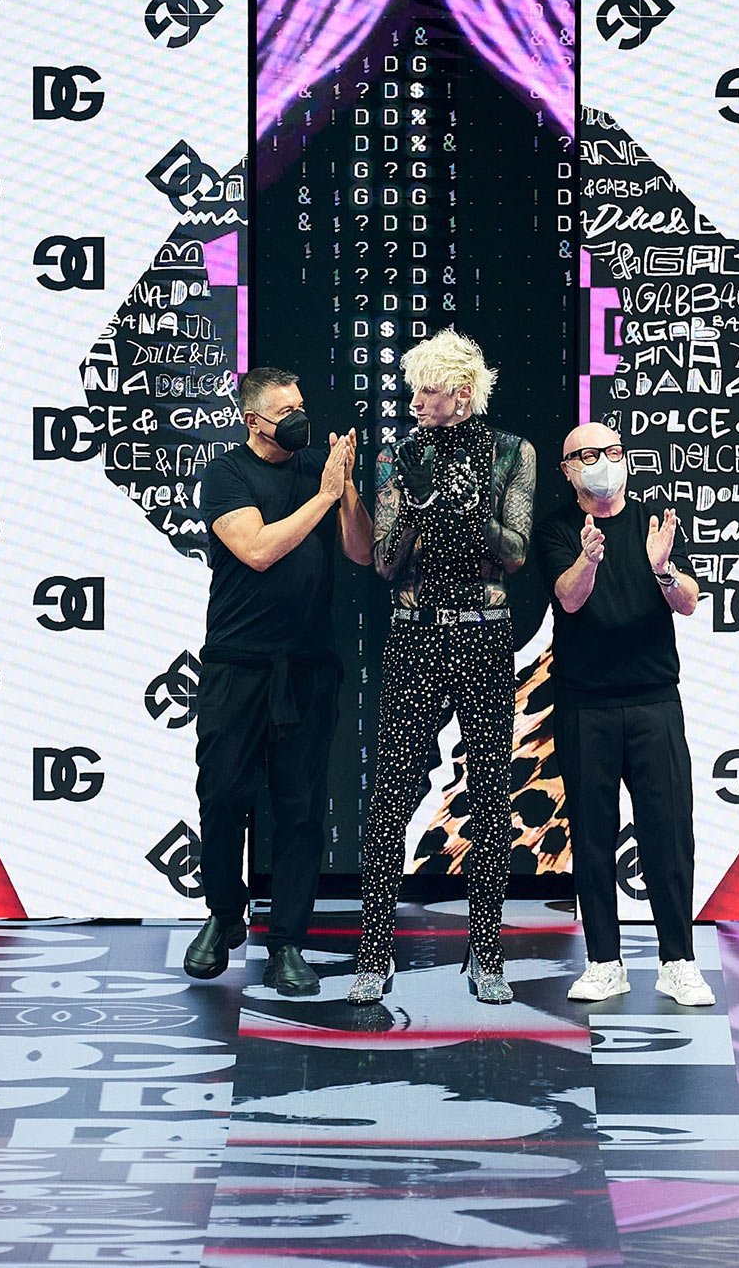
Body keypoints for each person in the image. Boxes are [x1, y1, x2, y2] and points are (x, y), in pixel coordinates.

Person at [347, 328, 536, 1006]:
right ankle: (373, 954)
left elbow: (514, 552)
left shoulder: (514, 452)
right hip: (415, 634)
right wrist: (417, 507)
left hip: (484, 635)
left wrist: (460, 507)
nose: (415, 401)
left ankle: (487, 953)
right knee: (390, 794)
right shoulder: (400, 456)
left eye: (426, 390)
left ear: (459, 393)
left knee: (490, 797)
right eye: (414, 389)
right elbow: (383, 563)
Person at [183, 367, 372, 989]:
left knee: (301, 808)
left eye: (301, 405)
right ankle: (223, 913)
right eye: (286, 411)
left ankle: (287, 941)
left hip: (308, 667)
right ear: (253, 420)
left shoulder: (320, 467)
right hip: (237, 665)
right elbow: (258, 549)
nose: (300, 418)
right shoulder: (227, 473)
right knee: (223, 795)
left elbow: (360, 551)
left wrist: (345, 489)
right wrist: (322, 496)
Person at [534, 421, 715, 1007]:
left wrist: (662, 569)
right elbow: (569, 598)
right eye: (588, 455)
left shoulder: (655, 521)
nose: (604, 462)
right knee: (591, 834)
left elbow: (688, 602)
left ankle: (678, 961)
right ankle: (604, 962)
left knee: (669, 831)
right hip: (585, 703)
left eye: (612, 451)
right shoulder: (556, 528)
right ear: (568, 470)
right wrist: (588, 559)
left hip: (654, 701)